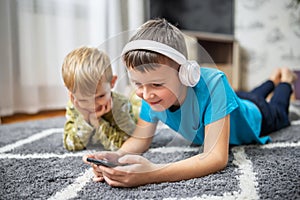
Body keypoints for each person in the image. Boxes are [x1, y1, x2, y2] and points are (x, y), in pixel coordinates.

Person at [83, 19, 297, 187]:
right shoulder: (150, 93)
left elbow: (215, 157)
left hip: (258, 116)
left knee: (278, 109)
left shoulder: (215, 84)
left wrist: (151, 173)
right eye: (137, 83)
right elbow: (140, 141)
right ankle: (271, 79)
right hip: (237, 101)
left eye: (157, 84)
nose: (146, 94)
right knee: (249, 94)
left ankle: (284, 79)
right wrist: (117, 156)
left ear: (187, 74)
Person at [61, 46, 139, 151]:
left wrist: (98, 122)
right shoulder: (75, 105)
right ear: (71, 95)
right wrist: (85, 119)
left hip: (132, 114)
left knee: (141, 110)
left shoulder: (120, 105)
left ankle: (135, 96)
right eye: (84, 100)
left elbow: (125, 145)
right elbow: (71, 145)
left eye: (100, 96)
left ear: (112, 82)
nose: (92, 105)